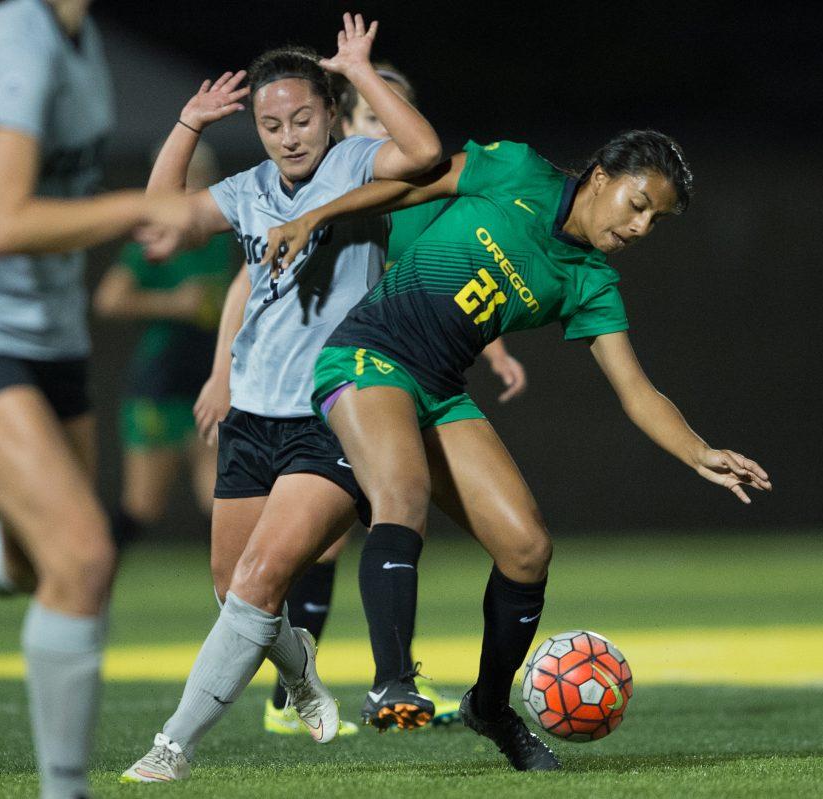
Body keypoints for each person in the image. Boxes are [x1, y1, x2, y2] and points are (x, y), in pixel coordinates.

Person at [263, 130, 773, 770]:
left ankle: (491, 707)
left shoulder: (589, 281)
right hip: (368, 353)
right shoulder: (516, 169)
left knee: (528, 550)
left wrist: (700, 453)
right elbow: (414, 183)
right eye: (638, 203)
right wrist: (314, 216)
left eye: (656, 220)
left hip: (440, 391)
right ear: (600, 175)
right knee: (400, 496)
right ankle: (392, 681)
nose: (642, 226)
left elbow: (636, 391)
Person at [0, 1, 195, 797]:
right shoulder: (13, 37)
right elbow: (2, 222)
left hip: (49, 337)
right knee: (85, 555)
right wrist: (140, 208)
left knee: (35, 561)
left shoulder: (81, 43)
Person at [120, 13, 444, 783]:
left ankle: (174, 744)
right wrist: (187, 124)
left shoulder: (360, 162)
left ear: (329, 114)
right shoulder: (249, 190)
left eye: (302, 118)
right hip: (252, 417)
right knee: (236, 591)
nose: (289, 135)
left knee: (262, 581)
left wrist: (362, 72)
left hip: (334, 414)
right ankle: (299, 675)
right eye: (271, 124)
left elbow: (428, 154)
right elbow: (161, 216)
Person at [260, 62, 526, 734]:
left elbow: (447, 285)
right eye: (373, 117)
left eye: (394, 115)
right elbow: (253, 281)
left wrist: (491, 348)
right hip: (334, 372)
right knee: (322, 539)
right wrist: (220, 372)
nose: (385, 129)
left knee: (374, 518)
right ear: (347, 128)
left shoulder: (418, 200)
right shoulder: (328, 189)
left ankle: (374, 681)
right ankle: (303, 693)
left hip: (386, 374)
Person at [94, 144, 235, 546]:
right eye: (187, 173)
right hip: (161, 380)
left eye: (203, 172)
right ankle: (86, 583)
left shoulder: (221, 234)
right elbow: (109, 299)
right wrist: (173, 303)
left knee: (223, 500)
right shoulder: (153, 237)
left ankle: (240, 602)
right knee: (143, 506)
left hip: (206, 378)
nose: (196, 182)